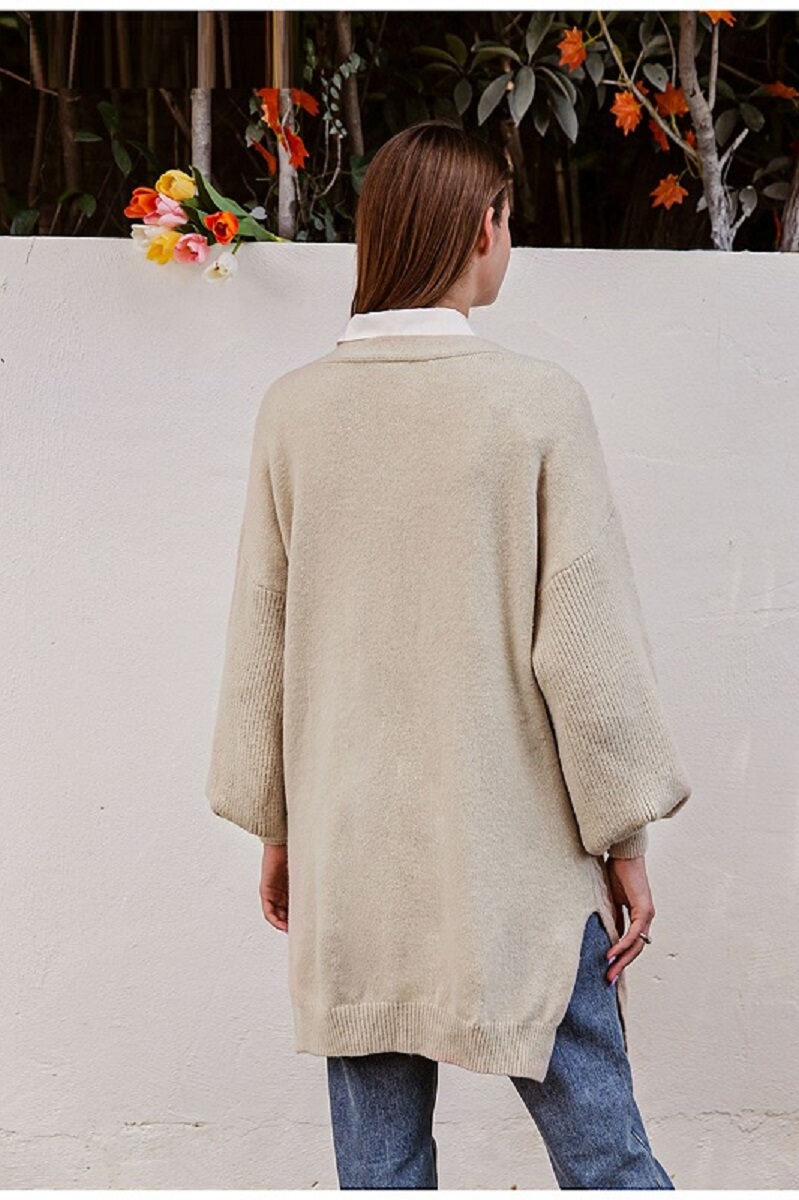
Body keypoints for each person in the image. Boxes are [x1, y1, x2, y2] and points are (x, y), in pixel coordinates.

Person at [205, 119, 692, 1189]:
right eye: (507, 216)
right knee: (609, 1162)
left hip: (352, 863)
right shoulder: (536, 405)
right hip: (516, 866)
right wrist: (623, 840)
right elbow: (586, 649)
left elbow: (262, 644)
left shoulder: (295, 410)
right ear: (482, 226)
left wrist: (281, 828)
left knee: (380, 1174)